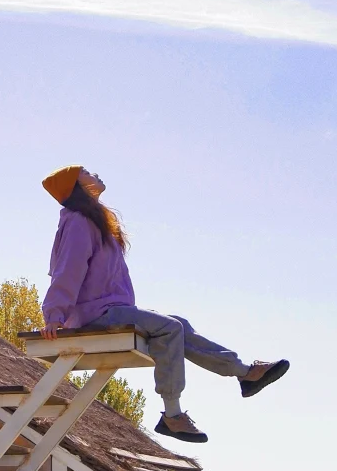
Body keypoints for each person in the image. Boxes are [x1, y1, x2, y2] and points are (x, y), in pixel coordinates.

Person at [39, 165, 288, 443]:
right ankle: (172, 414)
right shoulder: (78, 221)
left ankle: (244, 373)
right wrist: (54, 315)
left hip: (110, 309)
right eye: (85, 171)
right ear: (76, 185)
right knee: (169, 328)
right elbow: (68, 270)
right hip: (93, 314)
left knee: (178, 324)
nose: (94, 172)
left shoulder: (95, 221)